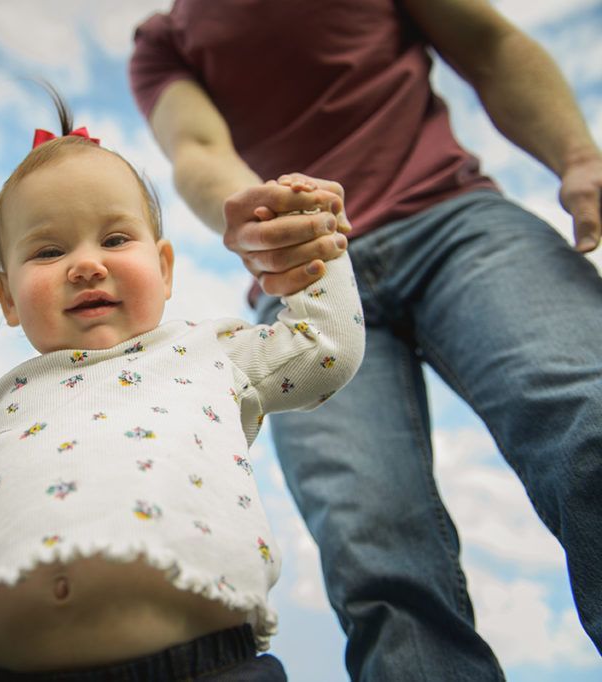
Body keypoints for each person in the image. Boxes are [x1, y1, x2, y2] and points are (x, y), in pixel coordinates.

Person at [0, 93, 366, 681]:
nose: (86, 265)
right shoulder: (1, 404)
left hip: (201, 664)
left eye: (114, 240)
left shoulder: (212, 353)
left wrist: (318, 244)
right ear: (6, 298)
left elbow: (324, 349)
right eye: (49, 250)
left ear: (166, 268)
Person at [129, 0, 602, 680]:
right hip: (304, 283)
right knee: (371, 544)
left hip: (455, 221)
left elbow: (491, 45)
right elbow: (200, 149)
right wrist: (259, 217)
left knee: (588, 416)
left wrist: (579, 156)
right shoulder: (165, 41)